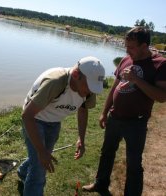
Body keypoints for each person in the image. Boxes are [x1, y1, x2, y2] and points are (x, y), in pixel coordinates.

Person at [82, 26, 166, 196]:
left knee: (134, 163)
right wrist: (104, 112)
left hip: (136, 122)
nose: (127, 51)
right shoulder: (126, 59)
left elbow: (161, 97)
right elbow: (115, 87)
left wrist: (136, 79)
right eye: (126, 47)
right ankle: (101, 184)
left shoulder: (160, 64)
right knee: (107, 153)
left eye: (131, 47)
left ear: (145, 46)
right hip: (115, 117)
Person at [17, 56, 105, 196]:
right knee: (40, 169)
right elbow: (27, 116)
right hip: (34, 119)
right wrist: (40, 151)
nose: (90, 92)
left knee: (43, 157)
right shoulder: (56, 82)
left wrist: (81, 139)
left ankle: (22, 171)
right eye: (89, 87)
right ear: (76, 75)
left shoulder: (88, 90)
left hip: (54, 121)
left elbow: (83, 110)